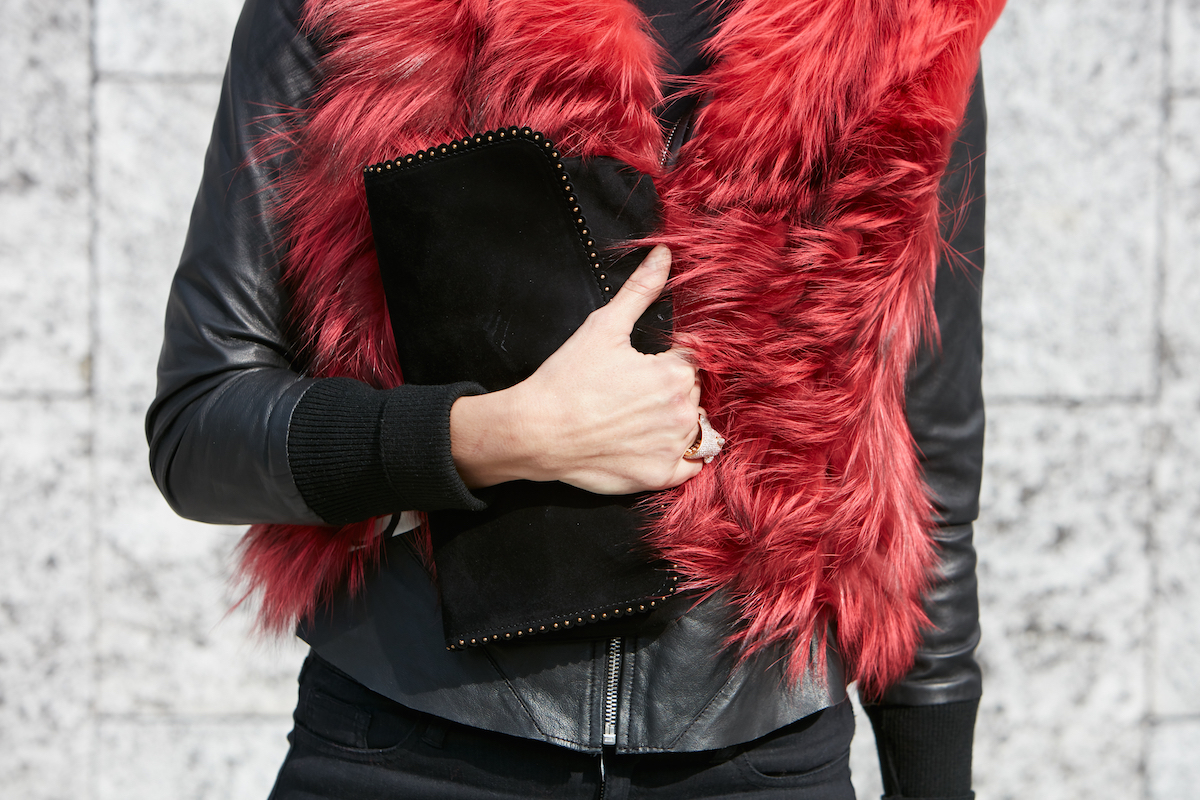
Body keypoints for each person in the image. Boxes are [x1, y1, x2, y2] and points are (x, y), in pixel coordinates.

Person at [147, 0, 1004, 797]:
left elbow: (924, 470)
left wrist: (934, 775)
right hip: (414, 743)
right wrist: (501, 435)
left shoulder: (897, 27)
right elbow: (200, 427)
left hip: (758, 757)